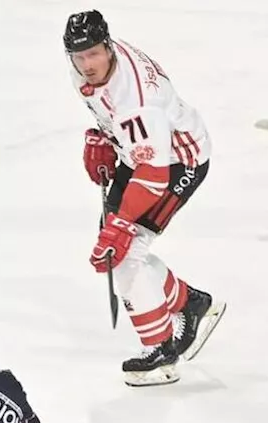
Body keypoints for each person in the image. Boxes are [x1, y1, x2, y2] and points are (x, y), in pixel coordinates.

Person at [67, 9, 227, 386]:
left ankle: (161, 353)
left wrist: (122, 225)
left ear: (108, 47)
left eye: (93, 53)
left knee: (122, 252)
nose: (87, 64)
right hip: (142, 154)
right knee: (117, 251)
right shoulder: (87, 72)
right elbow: (115, 118)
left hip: (177, 162)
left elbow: (153, 174)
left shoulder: (137, 99)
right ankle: (190, 305)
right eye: (79, 56)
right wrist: (105, 137)